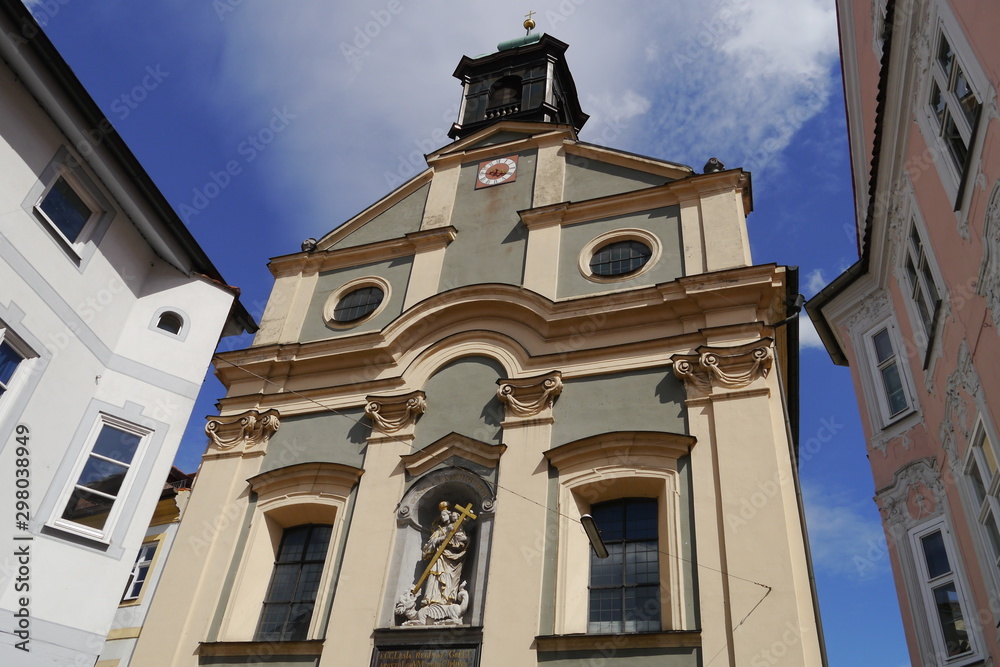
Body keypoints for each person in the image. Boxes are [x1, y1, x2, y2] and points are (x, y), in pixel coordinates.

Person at [420, 501, 471, 606]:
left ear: (449, 515)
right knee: (434, 575)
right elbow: (428, 546)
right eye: (441, 515)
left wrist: (455, 537)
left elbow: (462, 542)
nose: (442, 517)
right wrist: (442, 538)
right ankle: (429, 598)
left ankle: (446, 600)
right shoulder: (439, 531)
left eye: (444, 515)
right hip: (439, 557)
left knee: (448, 576)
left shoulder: (456, 527)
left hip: (452, 559)